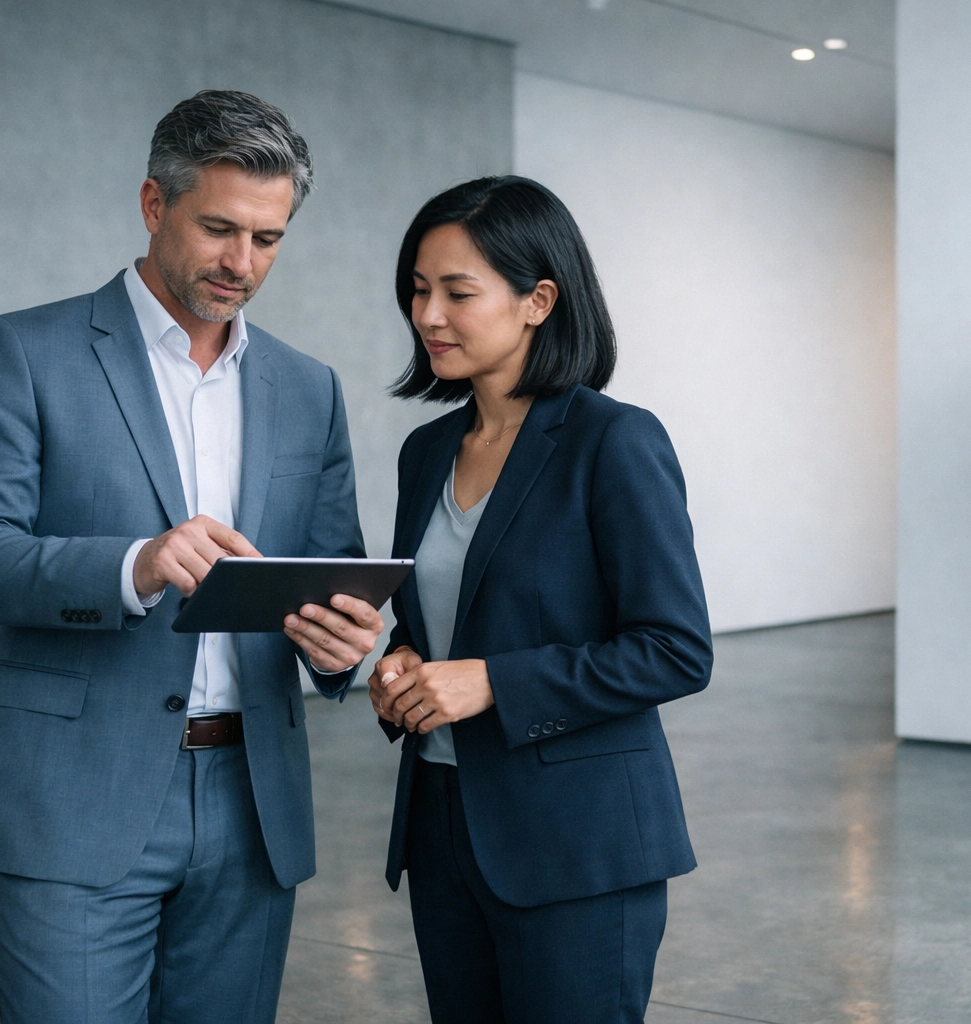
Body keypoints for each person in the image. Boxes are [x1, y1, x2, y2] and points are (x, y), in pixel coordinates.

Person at [0, 90, 384, 1024]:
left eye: (269, 238)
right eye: (219, 228)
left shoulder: (307, 388)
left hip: (254, 808)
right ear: (153, 203)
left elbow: (334, 571)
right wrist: (133, 563)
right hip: (72, 801)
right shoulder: (22, 351)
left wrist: (346, 648)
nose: (242, 263)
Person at [368, 176, 713, 1023]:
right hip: (445, 828)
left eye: (458, 292)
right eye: (418, 290)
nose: (428, 316)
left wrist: (493, 682)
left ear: (538, 301)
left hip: (578, 844)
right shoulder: (426, 452)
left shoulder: (613, 441)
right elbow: (429, 628)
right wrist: (398, 668)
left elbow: (676, 648)